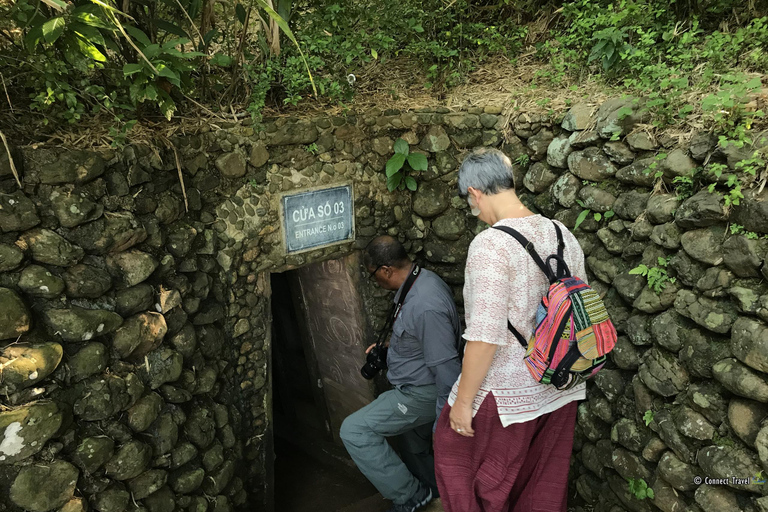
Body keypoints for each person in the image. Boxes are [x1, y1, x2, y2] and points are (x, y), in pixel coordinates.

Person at [433, 147, 587, 512]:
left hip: (507, 394)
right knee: (538, 488)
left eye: (470, 203)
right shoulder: (561, 233)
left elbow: (485, 336)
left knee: (456, 461)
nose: (476, 214)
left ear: (475, 193)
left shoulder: (490, 244)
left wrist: (464, 404)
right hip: (561, 384)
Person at [340, 235, 462, 512]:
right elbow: (421, 338)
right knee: (412, 445)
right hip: (416, 384)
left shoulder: (425, 305)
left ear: (386, 270)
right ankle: (438, 495)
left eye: (373, 276)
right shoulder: (421, 281)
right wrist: (389, 349)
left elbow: (446, 368)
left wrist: (443, 423)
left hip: (422, 392)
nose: (376, 282)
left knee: (355, 430)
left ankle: (410, 496)